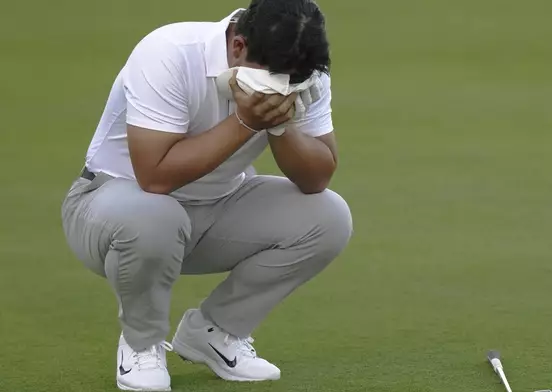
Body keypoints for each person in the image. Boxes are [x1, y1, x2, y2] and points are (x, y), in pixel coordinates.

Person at [60, 0, 353, 390]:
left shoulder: (303, 72)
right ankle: (141, 343)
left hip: (215, 209)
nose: (283, 90)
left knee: (329, 217)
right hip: (111, 207)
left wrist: (281, 127)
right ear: (238, 48)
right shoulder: (169, 52)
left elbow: (317, 176)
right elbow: (154, 178)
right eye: (273, 81)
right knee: (156, 216)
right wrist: (247, 122)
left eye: (292, 83)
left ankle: (215, 333)